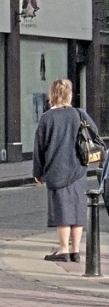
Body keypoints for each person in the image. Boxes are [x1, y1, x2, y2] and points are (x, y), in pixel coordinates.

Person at [32, 78, 93, 263]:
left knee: (62, 213)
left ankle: (63, 250)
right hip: (78, 170)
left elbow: (39, 148)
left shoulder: (47, 118)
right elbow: (94, 134)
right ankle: (75, 251)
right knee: (77, 211)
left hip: (57, 171)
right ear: (69, 94)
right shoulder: (79, 114)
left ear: (53, 95)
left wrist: (38, 172)